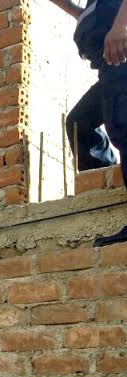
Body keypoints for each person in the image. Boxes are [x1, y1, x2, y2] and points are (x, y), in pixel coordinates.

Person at [72, 0, 127, 245]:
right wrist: (80, 14)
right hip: (107, 70)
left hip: (122, 56)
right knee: (78, 122)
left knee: (124, 124)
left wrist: (121, 26)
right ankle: (102, 193)